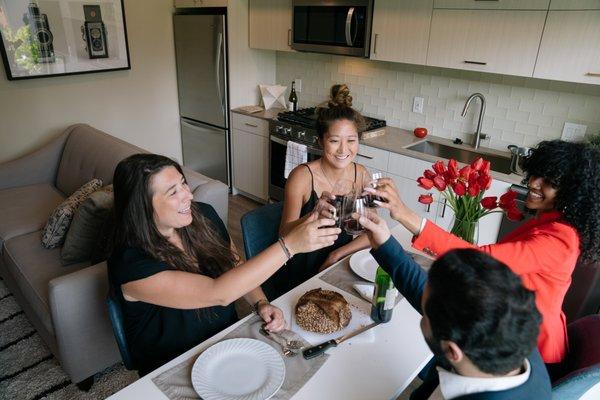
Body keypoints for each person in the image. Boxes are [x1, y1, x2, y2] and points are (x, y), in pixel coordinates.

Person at [363, 140, 600, 371]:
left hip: (533, 350)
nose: (535, 183)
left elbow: (479, 259)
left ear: (572, 192)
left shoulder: (559, 239)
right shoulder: (550, 223)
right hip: (513, 327)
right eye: (536, 173)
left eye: (549, 182)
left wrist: (404, 213)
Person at [107, 154, 340, 375]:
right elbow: (218, 293)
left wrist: (260, 303)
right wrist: (289, 246)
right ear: (142, 207)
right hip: (172, 365)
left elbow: (234, 266)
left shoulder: (202, 216)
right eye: (173, 192)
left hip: (225, 341)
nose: (188, 195)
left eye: (183, 183)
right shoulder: (130, 262)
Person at [358, 211, 551, 400]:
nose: (422, 311)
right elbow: (435, 295)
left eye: (424, 315)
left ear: (451, 351)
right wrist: (384, 244)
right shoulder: (514, 340)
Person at [268, 84, 372, 299]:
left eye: (351, 141)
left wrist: (337, 255)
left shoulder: (361, 175)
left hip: (339, 267)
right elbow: (284, 234)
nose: (344, 150)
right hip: (302, 272)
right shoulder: (302, 176)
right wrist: (313, 215)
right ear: (320, 141)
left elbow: (372, 232)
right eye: (334, 141)